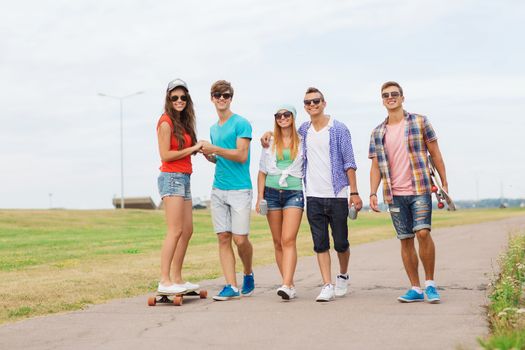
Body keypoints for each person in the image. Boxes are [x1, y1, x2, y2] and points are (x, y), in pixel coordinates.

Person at [262, 87, 363, 302]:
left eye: (316, 101)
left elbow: (349, 162)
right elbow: (283, 133)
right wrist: (269, 134)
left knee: (341, 243)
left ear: (324, 103)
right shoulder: (304, 130)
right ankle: (327, 284)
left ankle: (343, 274)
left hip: (337, 193)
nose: (312, 105)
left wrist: (354, 192)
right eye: (307, 102)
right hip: (313, 195)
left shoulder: (339, 129)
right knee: (320, 243)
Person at [368, 81, 448, 304]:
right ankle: (415, 288)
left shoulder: (420, 122)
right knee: (405, 240)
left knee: (422, 233)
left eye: (394, 94)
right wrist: (373, 192)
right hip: (394, 193)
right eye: (386, 95)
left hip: (420, 187)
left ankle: (430, 284)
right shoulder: (377, 132)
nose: (390, 97)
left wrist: (444, 182)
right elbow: (375, 166)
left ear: (403, 98)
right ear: (382, 101)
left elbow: (436, 153)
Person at [201, 80, 255, 301]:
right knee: (223, 237)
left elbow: (241, 155)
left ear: (231, 98)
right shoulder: (214, 128)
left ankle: (248, 272)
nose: (221, 98)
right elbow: (222, 159)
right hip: (218, 189)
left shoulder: (242, 123)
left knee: (240, 239)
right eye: (217, 95)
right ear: (212, 98)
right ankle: (231, 286)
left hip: (240, 189)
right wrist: (209, 156)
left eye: (225, 95)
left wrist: (215, 149)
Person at [156, 78, 203, 295]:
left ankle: (177, 278)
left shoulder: (183, 123)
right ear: (168, 99)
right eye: (174, 97)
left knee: (187, 230)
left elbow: (187, 151)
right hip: (172, 177)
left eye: (183, 97)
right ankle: (164, 280)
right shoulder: (165, 122)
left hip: (184, 177)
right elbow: (166, 155)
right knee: (175, 230)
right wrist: (192, 148)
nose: (179, 100)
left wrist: (202, 150)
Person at [256, 104, 304, 300]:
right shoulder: (270, 142)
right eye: (278, 115)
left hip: (294, 192)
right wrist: (260, 197)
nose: (282, 118)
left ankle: (286, 283)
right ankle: (288, 283)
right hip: (272, 193)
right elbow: (262, 171)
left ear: (293, 117)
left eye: (287, 115)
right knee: (277, 242)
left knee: (288, 239)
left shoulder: (303, 140)